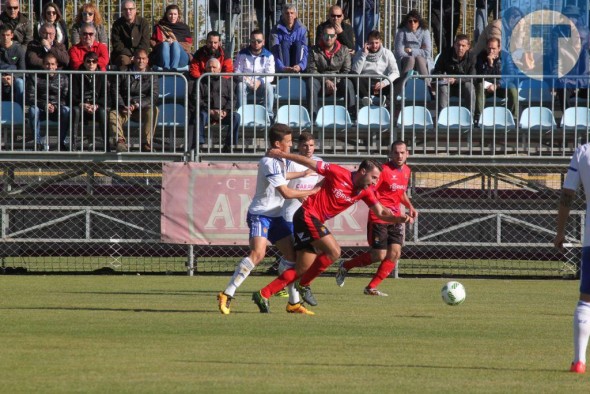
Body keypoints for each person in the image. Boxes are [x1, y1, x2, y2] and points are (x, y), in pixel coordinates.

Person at [252, 153, 413, 311]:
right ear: (363, 171)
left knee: (301, 269)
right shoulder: (338, 172)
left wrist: (399, 219)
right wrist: (282, 154)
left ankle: (263, 294)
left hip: (312, 221)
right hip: (306, 216)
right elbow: (309, 163)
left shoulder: (365, 191)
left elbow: (381, 213)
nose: (375, 182)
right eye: (374, 177)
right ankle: (305, 285)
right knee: (334, 251)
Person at [217, 124, 319, 315]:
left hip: (277, 216)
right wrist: (312, 191)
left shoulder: (281, 160)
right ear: (277, 144)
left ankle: (293, 303)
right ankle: (226, 293)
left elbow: (283, 176)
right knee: (258, 254)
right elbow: (286, 192)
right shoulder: (268, 162)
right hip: (261, 215)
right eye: (288, 143)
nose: (290, 146)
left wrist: (302, 174)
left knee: (293, 258)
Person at [336, 141, 417, 296]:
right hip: (379, 217)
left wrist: (410, 206)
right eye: (396, 152)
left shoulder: (407, 170)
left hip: (395, 218)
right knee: (379, 255)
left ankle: (371, 287)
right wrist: (383, 209)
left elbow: (401, 192)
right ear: (390, 154)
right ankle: (346, 265)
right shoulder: (384, 171)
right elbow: (371, 191)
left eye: (402, 152)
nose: (399, 156)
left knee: (395, 253)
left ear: (408, 154)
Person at [554, 143, 590, 374]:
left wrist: (560, 231)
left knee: (586, 300)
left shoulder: (583, 152)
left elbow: (568, 194)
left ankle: (579, 361)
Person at [108, 49, 159, 153]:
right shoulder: (122, 71)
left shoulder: (152, 74)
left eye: (143, 58)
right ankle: (120, 142)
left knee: (154, 110)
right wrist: (122, 106)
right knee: (113, 114)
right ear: (133, 59)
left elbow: (154, 96)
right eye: (138, 58)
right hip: (124, 107)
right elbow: (114, 90)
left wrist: (138, 105)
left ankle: (146, 143)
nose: (141, 61)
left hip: (141, 108)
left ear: (147, 60)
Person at [307, 23, 355, 119]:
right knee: (311, 82)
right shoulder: (313, 50)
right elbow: (311, 70)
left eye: (332, 35)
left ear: (336, 36)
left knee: (348, 83)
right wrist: (325, 81)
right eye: (326, 35)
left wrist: (334, 82)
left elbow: (346, 70)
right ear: (321, 36)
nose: (329, 38)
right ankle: (313, 116)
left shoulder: (344, 50)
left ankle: (352, 115)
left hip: (339, 83)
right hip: (320, 82)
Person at [194, 58, 240, 153]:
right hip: (207, 113)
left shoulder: (227, 83)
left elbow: (233, 99)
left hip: (223, 113)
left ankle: (229, 145)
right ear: (205, 69)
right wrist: (210, 111)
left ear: (219, 69)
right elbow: (197, 99)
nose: (211, 70)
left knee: (236, 116)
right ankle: (199, 144)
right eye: (209, 67)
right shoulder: (200, 82)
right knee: (201, 115)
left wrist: (225, 111)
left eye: (214, 67)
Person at [26, 53, 70, 151]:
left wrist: (55, 106)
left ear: (56, 65)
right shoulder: (34, 77)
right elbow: (30, 97)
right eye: (47, 64)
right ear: (43, 65)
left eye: (52, 64)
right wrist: (45, 105)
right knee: (33, 110)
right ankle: (37, 143)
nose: (50, 67)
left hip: (57, 110)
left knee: (67, 110)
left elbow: (65, 98)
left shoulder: (64, 78)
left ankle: (61, 143)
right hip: (41, 109)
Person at [473, 37, 519, 125]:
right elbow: (479, 76)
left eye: (493, 48)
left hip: (501, 85)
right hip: (487, 85)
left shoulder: (506, 57)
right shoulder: (481, 57)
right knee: (480, 85)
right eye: (489, 48)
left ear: (499, 48)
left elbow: (511, 75)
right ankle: (478, 118)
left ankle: (514, 119)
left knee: (512, 88)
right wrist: (489, 65)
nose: (491, 51)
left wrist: (497, 84)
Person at [351, 29, 400, 108]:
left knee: (401, 79)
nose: (374, 46)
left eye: (376, 43)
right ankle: (366, 98)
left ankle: (387, 100)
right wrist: (364, 55)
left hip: (381, 84)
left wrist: (384, 83)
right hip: (366, 85)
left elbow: (395, 73)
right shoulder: (360, 53)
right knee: (352, 74)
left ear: (380, 42)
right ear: (367, 43)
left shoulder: (387, 53)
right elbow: (355, 72)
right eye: (371, 43)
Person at [234, 29, 275, 120]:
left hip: (261, 85)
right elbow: (237, 71)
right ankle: (242, 114)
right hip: (246, 83)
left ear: (263, 42)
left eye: (259, 41)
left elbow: (270, 75)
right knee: (240, 86)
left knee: (269, 87)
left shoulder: (269, 56)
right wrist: (248, 81)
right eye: (253, 41)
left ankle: (268, 116)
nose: (256, 43)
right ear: (250, 41)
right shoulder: (241, 54)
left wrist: (259, 82)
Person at [71, 51, 108, 151]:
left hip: (95, 107)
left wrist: (96, 105)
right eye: (88, 61)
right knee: (75, 111)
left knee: (102, 112)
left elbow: (105, 97)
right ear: (84, 62)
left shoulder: (102, 76)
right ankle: (73, 145)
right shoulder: (77, 75)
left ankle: (107, 146)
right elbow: (73, 96)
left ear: (97, 63)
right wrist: (82, 104)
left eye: (94, 61)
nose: (91, 64)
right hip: (81, 107)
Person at [432, 33, 475, 113]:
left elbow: (473, 76)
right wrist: (442, 77)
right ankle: (442, 118)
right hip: (448, 86)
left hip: (463, 87)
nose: (460, 48)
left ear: (468, 47)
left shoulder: (472, 57)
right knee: (442, 86)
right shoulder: (445, 54)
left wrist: (455, 80)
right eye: (458, 45)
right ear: (454, 45)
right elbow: (436, 71)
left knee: (469, 86)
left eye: (463, 46)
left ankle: (471, 117)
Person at [149, 4, 193, 71]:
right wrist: (164, 42)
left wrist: (175, 42)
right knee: (165, 44)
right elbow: (153, 43)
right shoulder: (159, 26)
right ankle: (166, 69)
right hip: (162, 58)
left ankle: (173, 69)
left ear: (178, 15)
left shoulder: (184, 28)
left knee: (175, 44)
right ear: (166, 14)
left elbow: (188, 45)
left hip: (181, 59)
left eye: (175, 14)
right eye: (170, 14)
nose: (173, 16)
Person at [394, 10, 432, 86]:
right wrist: (420, 50)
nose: (413, 23)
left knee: (419, 59)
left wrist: (410, 50)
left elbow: (427, 52)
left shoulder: (425, 31)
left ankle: (428, 87)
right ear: (406, 22)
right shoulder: (401, 32)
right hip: (405, 61)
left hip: (422, 61)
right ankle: (401, 87)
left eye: (415, 21)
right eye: (410, 21)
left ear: (419, 22)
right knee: (411, 59)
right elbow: (399, 52)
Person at [110, 0, 151, 70]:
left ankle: (142, 80)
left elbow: (145, 42)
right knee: (123, 60)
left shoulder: (143, 23)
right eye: (125, 9)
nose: (128, 11)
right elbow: (117, 44)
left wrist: (136, 55)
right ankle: (125, 80)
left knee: (143, 62)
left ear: (135, 10)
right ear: (122, 11)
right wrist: (130, 55)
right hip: (123, 54)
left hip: (140, 54)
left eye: (130, 9)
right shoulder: (117, 24)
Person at [270, 4, 308, 73]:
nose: (289, 15)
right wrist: (282, 68)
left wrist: (300, 66)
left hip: (298, 66)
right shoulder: (275, 30)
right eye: (287, 13)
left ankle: (297, 74)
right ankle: (285, 75)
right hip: (283, 66)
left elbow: (306, 51)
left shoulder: (303, 29)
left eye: (292, 13)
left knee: (298, 44)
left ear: (296, 15)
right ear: (283, 15)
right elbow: (274, 51)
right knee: (284, 43)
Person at [0, 25, 24, 103]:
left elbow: (22, 69)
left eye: (7, 35)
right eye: (3, 35)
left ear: (12, 35)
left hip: (14, 76)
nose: (5, 37)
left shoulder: (19, 49)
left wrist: (12, 77)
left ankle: (20, 109)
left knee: (20, 83)